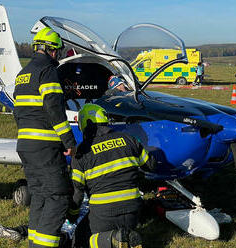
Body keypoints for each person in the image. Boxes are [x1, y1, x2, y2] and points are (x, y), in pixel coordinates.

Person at [11, 26, 77, 248]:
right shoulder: (48, 72)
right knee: (58, 197)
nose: (57, 56)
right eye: (57, 51)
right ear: (51, 50)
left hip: (26, 145)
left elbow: (17, 111)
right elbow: (54, 109)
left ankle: (35, 244)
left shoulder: (22, 75)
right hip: (45, 148)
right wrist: (69, 141)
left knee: (39, 196)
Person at [68, 103, 149, 248]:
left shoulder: (81, 153)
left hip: (103, 213)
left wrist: (73, 214)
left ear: (85, 123)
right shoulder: (128, 139)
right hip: (133, 209)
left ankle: (113, 239)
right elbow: (150, 165)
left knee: (80, 241)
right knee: (123, 228)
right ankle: (125, 237)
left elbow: (77, 192)